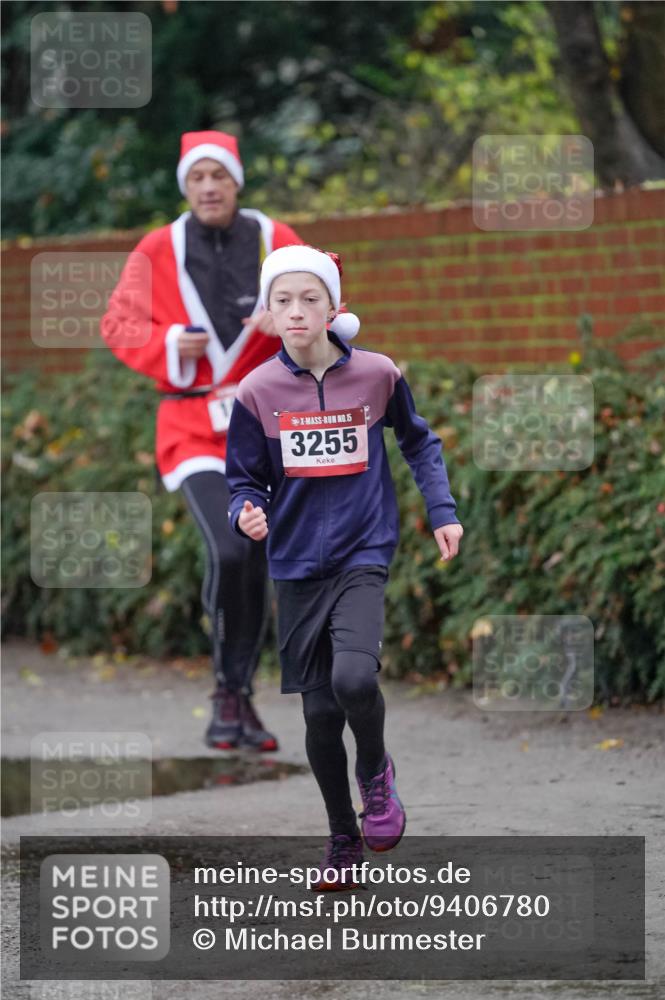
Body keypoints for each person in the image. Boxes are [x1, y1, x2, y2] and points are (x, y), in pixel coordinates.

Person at [225, 245, 463, 889]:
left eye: (310, 298)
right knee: (321, 717)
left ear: (334, 308)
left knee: (355, 679)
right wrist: (246, 513)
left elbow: (419, 441)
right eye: (283, 300)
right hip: (295, 563)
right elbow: (242, 481)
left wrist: (441, 510)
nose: (296, 311)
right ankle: (342, 838)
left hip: (363, 551)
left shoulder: (377, 374)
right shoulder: (257, 391)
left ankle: (376, 774)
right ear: (268, 312)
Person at [102, 130, 316, 751]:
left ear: (236, 181)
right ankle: (227, 690)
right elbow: (119, 323)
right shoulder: (158, 248)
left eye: (218, 175)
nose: (208, 187)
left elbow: (325, 303)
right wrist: (170, 343)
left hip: (266, 428)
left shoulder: (276, 239)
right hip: (192, 426)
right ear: (185, 187)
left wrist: (290, 320)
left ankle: (240, 694)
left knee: (256, 556)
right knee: (229, 547)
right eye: (196, 177)